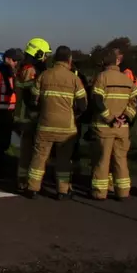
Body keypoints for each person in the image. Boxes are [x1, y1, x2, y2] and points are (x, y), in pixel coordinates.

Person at [26, 46, 87, 200]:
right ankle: (62, 191)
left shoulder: (44, 76)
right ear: (69, 60)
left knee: (39, 157)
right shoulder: (74, 78)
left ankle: (32, 187)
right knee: (63, 160)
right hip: (66, 128)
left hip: (45, 125)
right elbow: (83, 105)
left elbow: (33, 101)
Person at [89, 49, 137, 201]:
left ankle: (100, 192)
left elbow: (97, 100)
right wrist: (126, 117)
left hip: (105, 127)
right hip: (122, 128)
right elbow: (136, 102)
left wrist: (110, 118)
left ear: (105, 62)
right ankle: (123, 192)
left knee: (102, 160)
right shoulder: (127, 79)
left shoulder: (102, 77)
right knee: (121, 159)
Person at [13, 38, 50, 191]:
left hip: (25, 115)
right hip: (30, 116)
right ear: (38, 53)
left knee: (28, 150)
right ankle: (26, 181)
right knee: (31, 151)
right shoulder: (31, 70)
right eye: (45, 54)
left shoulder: (26, 68)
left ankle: (23, 179)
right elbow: (30, 96)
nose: (46, 58)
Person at [0, 49, 22, 180]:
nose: (16, 63)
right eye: (14, 60)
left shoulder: (9, 73)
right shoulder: (1, 73)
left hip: (6, 112)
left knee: (3, 142)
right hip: (1, 112)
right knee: (1, 142)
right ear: (7, 59)